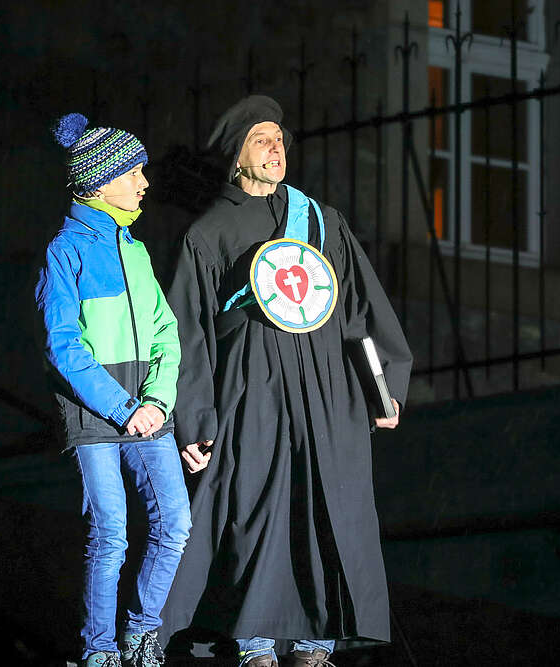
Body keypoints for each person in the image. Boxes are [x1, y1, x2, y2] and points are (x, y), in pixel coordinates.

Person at [160, 95, 412, 667]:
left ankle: (315, 644)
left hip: (329, 395)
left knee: (329, 509)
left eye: (280, 139)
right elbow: (189, 334)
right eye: (262, 139)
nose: (277, 149)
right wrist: (194, 419)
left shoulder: (322, 223)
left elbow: (360, 312)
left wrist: (383, 389)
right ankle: (254, 642)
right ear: (236, 157)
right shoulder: (208, 234)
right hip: (253, 395)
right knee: (257, 510)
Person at [35, 113, 190, 667]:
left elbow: (166, 329)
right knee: (111, 534)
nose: (144, 182)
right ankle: (99, 649)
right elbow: (63, 345)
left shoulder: (135, 249)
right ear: (99, 183)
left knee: (175, 524)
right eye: (133, 173)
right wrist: (124, 407)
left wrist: (157, 401)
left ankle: (142, 634)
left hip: (146, 409)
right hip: (97, 412)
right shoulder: (65, 250)